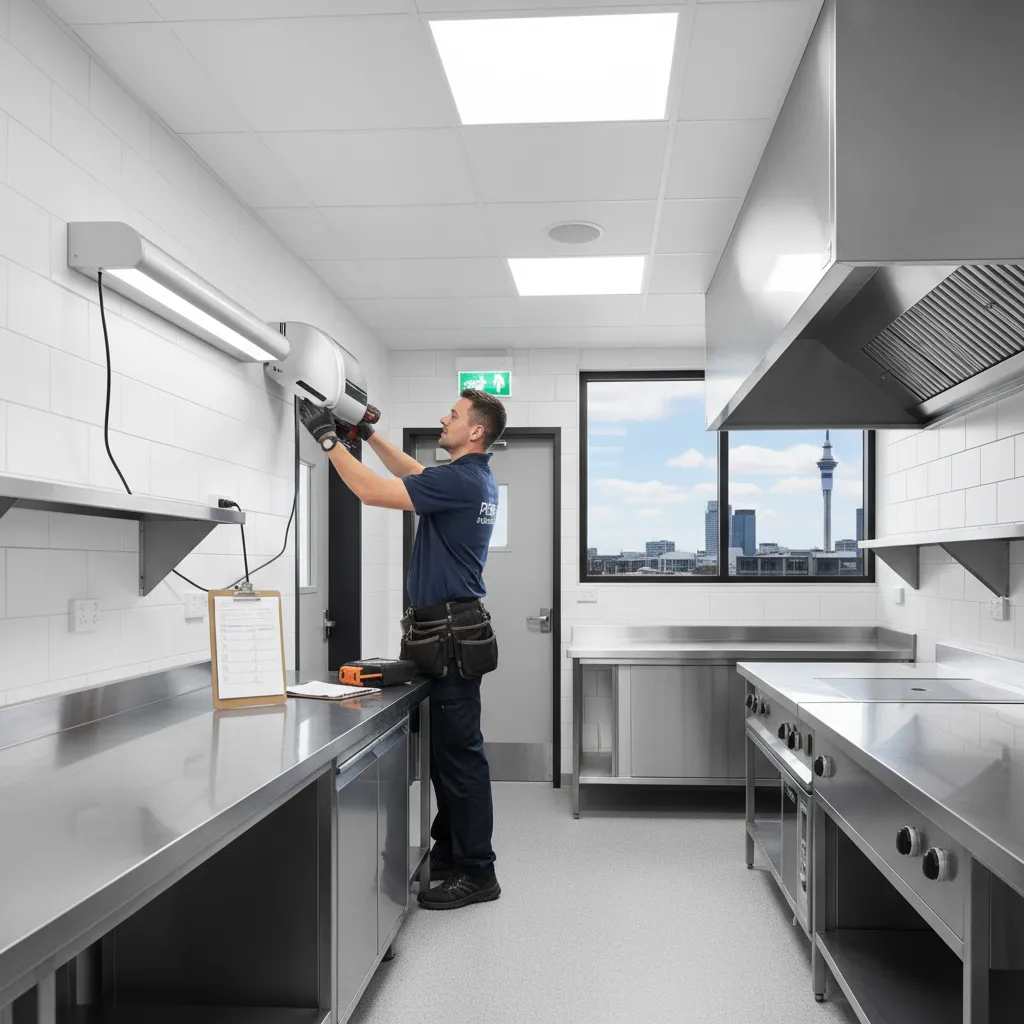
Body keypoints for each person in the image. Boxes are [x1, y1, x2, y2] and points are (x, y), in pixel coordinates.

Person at [299, 388, 507, 911]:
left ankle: (478, 871)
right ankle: (453, 852)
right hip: (445, 633)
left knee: (460, 759)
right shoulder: (474, 479)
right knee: (447, 755)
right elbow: (414, 473)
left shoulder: (462, 479)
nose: (445, 417)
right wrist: (366, 434)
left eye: (454, 415)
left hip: (449, 637)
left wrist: (328, 440)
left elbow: (372, 491)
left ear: (476, 431)